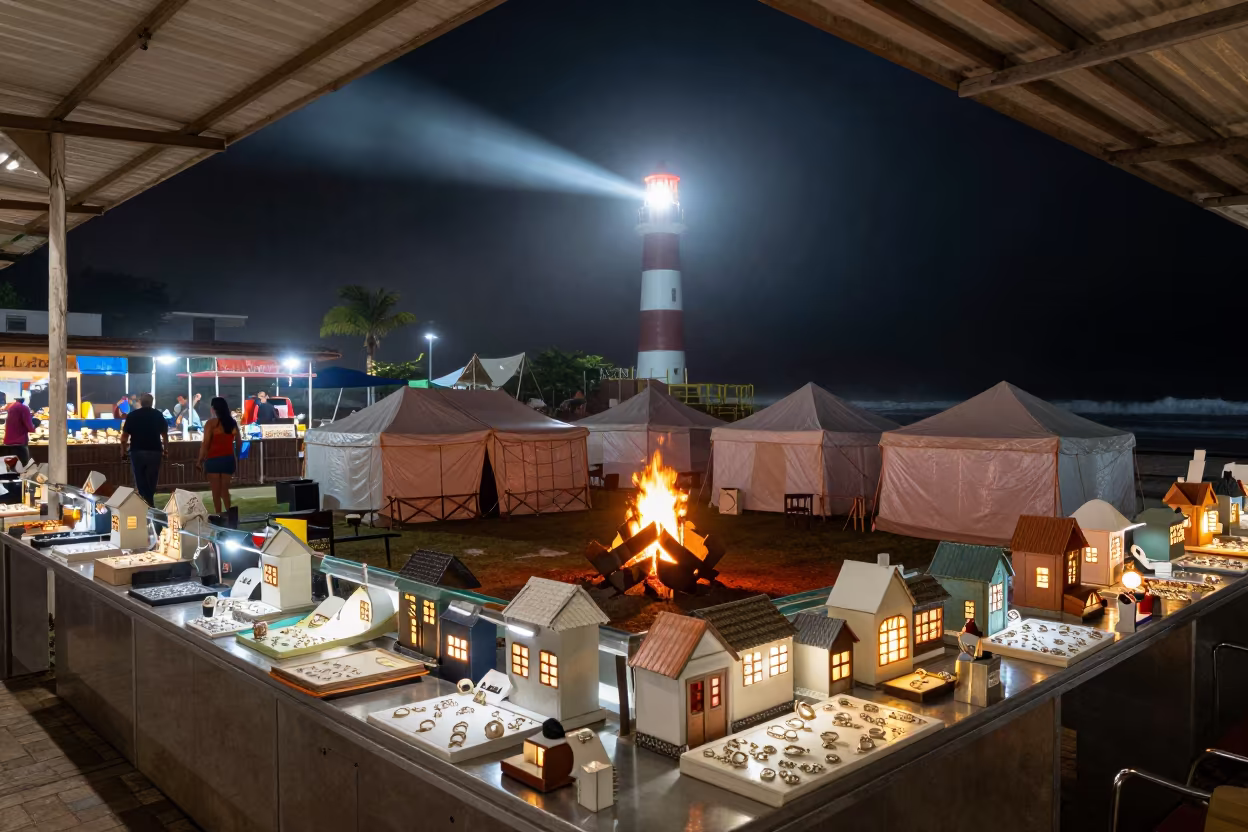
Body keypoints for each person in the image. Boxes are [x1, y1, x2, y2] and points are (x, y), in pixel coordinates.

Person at [120, 393, 168, 506]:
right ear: (152, 402)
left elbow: (124, 438)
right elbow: (165, 436)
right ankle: (149, 502)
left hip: (137, 451)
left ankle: (146, 503)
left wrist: (123, 451)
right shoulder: (158, 415)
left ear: (141, 402)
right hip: (155, 451)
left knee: (140, 479)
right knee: (152, 479)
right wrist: (166, 450)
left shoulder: (132, 415)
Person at [199, 396, 240, 514]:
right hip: (228, 458)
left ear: (213, 409)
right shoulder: (231, 423)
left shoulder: (211, 423)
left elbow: (205, 443)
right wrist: (236, 456)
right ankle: (230, 514)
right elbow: (239, 441)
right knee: (225, 491)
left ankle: (219, 515)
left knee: (215, 491)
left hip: (213, 459)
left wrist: (200, 460)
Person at [3, 397, 37, 464]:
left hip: (8, 441)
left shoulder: (11, 407)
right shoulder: (24, 408)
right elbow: (30, 427)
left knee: (12, 467)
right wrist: (35, 425)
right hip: (19, 442)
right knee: (23, 466)